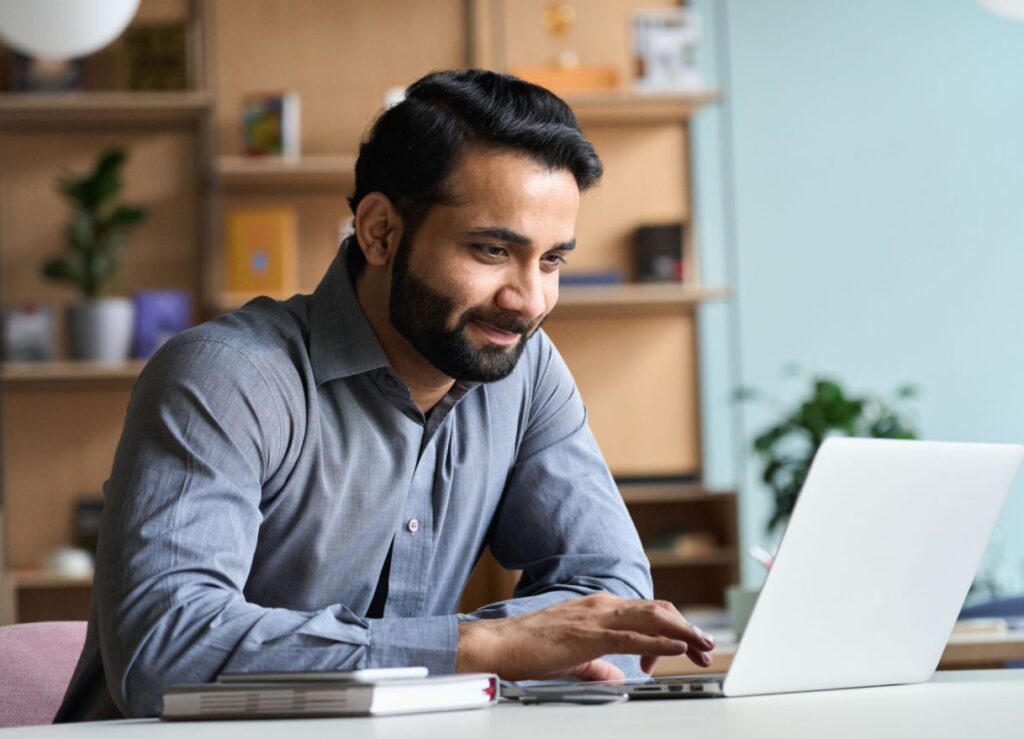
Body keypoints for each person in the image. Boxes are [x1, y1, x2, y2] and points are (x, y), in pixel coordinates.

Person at [56, 69, 715, 721]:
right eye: (492, 250)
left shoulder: (526, 369)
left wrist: (516, 648)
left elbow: (614, 595)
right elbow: (166, 651)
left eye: (551, 261)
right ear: (379, 232)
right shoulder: (225, 377)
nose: (529, 301)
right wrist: (484, 646)